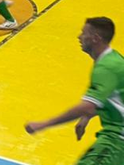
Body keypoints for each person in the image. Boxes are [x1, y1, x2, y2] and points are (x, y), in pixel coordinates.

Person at [26, 17, 124, 165]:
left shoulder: (106, 68)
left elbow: (87, 106)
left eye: (84, 33)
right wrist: (87, 117)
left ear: (95, 38)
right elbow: (113, 98)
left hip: (117, 139)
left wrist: (44, 124)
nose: (79, 37)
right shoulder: (115, 59)